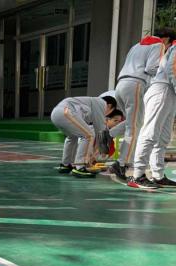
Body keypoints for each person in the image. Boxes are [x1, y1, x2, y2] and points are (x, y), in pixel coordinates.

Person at [111, 29, 175, 180]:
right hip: (137, 84)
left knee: (135, 124)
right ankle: (122, 164)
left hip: (121, 84)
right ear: (165, 39)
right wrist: (162, 71)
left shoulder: (136, 46)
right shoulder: (159, 45)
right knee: (135, 128)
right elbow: (151, 68)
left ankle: (109, 134)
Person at [129, 41, 176, 190]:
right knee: (150, 133)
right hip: (162, 89)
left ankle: (158, 175)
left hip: (169, 92)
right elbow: (172, 68)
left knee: (163, 136)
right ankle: (137, 175)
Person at [51, 95, 117, 178]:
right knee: (88, 136)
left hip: (55, 113)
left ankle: (66, 164)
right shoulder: (101, 103)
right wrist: (97, 156)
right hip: (67, 112)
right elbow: (101, 132)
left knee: (72, 136)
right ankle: (80, 167)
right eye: (110, 112)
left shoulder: (89, 102)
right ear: (109, 106)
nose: (107, 115)